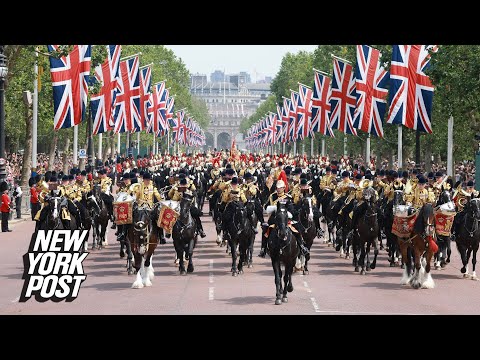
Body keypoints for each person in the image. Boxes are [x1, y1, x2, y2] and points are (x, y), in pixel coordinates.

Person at [259, 179, 310, 258]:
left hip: (285, 219)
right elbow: (266, 206)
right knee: (265, 229)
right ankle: (263, 248)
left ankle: (301, 246)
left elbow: (291, 209)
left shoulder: (288, 198)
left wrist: (286, 212)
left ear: (284, 188)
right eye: (277, 187)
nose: (278, 189)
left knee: (297, 229)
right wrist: (272, 208)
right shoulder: (272, 196)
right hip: (274, 218)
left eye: (280, 188)